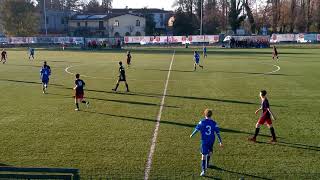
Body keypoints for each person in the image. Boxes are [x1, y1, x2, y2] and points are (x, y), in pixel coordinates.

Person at [190, 109, 223, 177]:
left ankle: (203, 170)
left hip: (204, 141)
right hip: (211, 140)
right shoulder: (214, 123)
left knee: (203, 155)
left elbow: (197, 129)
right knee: (210, 152)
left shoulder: (202, 122)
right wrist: (220, 141)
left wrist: (192, 134)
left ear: (205, 114)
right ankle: (207, 164)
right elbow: (217, 133)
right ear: (211, 115)